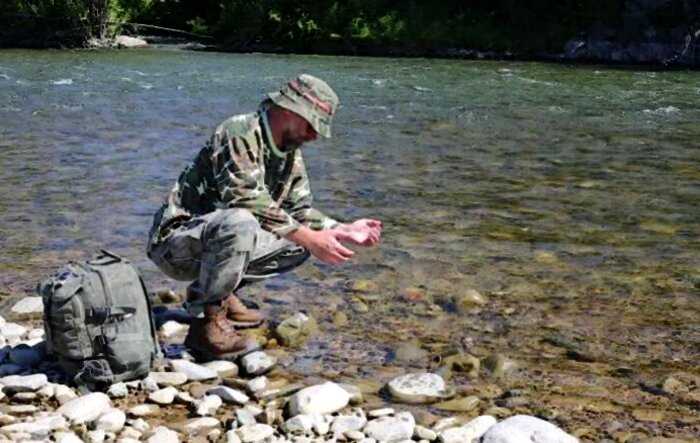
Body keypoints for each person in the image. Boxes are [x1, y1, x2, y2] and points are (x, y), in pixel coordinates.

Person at [147, 74, 382, 360]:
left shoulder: (289, 154)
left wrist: (342, 229)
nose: (314, 136)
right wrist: (310, 236)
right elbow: (244, 198)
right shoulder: (239, 131)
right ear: (288, 111)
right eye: (311, 125)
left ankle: (218, 291)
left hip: (217, 242)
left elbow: (299, 212)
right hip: (176, 245)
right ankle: (206, 325)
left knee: (301, 244)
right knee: (242, 222)